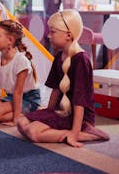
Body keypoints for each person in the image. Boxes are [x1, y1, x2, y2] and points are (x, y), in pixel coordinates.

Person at [17, 9, 110, 147]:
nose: (49, 35)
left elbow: (80, 102)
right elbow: (56, 90)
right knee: (21, 123)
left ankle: (84, 134)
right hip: (60, 112)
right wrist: (47, 115)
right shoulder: (59, 57)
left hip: (78, 116)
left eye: (53, 32)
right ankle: (64, 131)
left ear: (68, 35)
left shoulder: (81, 60)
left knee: (33, 132)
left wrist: (74, 132)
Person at [0, 19, 41, 126]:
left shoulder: (21, 61)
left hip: (28, 98)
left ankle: (30, 115)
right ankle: (11, 113)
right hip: (10, 96)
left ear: (10, 40)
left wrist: (15, 120)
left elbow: (18, 92)